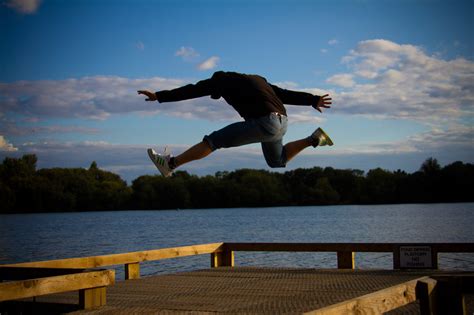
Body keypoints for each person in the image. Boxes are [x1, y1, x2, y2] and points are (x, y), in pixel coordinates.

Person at [138, 71, 333, 177]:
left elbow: (192, 90)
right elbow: (284, 94)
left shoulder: (220, 81)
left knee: (213, 141)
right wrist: (313, 100)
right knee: (277, 161)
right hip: (282, 122)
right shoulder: (258, 80)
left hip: (265, 123)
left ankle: (170, 164)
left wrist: (159, 96)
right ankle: (314, 139)